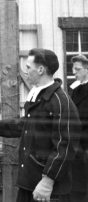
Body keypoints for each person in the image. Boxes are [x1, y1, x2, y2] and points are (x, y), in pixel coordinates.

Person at [0, 48, 80, 202]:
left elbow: (65, 145)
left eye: (28, 67)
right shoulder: (39, 95)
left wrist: (47, 181)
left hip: (49, 190)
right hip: (31, 181)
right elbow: (26, 124)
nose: (25, 72)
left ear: (40, 70)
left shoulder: (60, 101)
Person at [68, 55, 88, 202]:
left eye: (78, 69)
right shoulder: (75, 89)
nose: (74, 72)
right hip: (76, 143)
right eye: (73, 69)